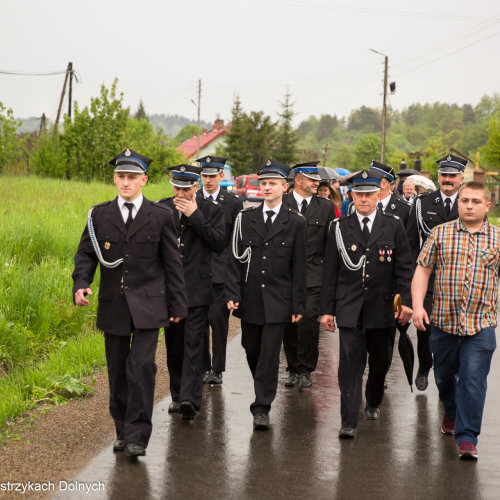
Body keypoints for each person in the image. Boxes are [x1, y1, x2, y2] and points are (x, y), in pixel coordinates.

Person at [72, 148, 188, 458]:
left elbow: (173, 263)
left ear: (144, 180)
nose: (126, 182)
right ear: (114, 179)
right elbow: (86, 253)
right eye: (121, 177)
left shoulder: (161, 215)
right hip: (114, 305)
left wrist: (178, 306)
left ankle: (138, 435)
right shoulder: (99, 214)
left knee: (141, 368)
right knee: (118, 371)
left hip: (150, 306)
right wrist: (82, 283)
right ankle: (122, 430)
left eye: (132, 177)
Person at [319, 169, 413, 439]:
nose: (363, 199)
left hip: (382, 308)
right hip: (349, 307)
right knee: (349, 364)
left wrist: (404, 302)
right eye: (358, 194)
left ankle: (373, 399)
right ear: (351, 196)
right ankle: (348, 420)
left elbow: (404, 268)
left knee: (381, 360)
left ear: (378, 195)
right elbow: (330, 273)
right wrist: (327, 310)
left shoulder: (393, 225)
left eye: (369, 194)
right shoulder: (338, 228)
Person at [412, 181, 498, 460]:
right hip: (443, 322)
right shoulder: (440, 234)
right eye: (465, 201)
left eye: (475, 201)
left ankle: (467, 437)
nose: (469, 205)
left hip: (480, 325)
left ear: (488, 205)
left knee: (473, 379)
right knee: (444, 377)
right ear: (458, 203)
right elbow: (423, 271)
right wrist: (416, 306)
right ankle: (451, 411)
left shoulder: (497, 239)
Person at [227, 159, 307, 430]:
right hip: (251, 298)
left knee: (271, 353)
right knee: (251, 348)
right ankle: (263, 384)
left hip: (279, 300)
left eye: (272, 183)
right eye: (263, 183)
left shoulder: (296, 222)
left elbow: (299, 267)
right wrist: (232, 291)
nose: (267, 188)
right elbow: (235, 260)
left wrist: (298, 304)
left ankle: (261, 406)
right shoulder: (246, 219)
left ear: (285, 187)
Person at [159, 164, 225, 421]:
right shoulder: (161, 207)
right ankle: (176, 395)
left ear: (195, 187)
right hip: (169, 289)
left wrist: (196, 214)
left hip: (198, 288)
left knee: (194, 343)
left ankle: (189, 398)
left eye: (185, 189)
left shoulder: (212, 210)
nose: (180, 194)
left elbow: (218, 243)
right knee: (174, 345)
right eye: (176, 188)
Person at [406, 154, 465, 391]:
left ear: (461, 178)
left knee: (456, 332)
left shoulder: (468, 202)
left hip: (459, 279)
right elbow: (411, 242)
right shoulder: (422, 203)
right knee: (425, 326)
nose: (447, 180)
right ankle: (424, 365)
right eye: (444, 175)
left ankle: (450, 375)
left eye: (452, 176)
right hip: (428, 278)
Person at [282, 162, 335, 388]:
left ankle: (306, 369)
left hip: (314, 273)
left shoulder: (325, 206)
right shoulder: (282, 203)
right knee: (289, 323)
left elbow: (329, 243)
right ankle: (293, 367)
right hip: (286, 274)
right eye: (312, 179)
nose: (317, 183)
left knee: (308, 321)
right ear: (298, 180)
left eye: (317, 179)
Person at [197, 155, 243, 385]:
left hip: (221, 273)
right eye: (204, 175)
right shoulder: (193, 199)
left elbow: (236, 243)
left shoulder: (233, 203)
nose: (208, 180)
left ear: (221, 176)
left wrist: (234, 280)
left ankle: (217, 369)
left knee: (219, 322)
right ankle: (203, 366)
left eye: (212, 176)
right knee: (199, 322)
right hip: (197, 272)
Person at [369, 160, 411, 225]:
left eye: (371, 179)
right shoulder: (362, 204)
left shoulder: (405, 209)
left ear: (383, 184)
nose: (367, 182)